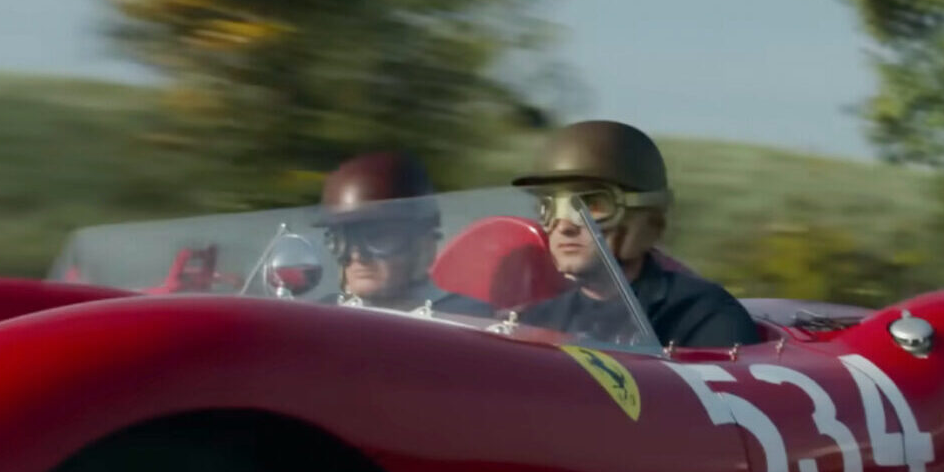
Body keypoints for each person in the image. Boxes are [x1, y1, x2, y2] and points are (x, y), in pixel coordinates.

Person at [510, 119, 766, 349]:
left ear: (649, 222)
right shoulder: (537, 322)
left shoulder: (700, 317)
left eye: (592, 205)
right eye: (548, 208)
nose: (563, 227)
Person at [313, 151, 488, 315]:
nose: (357, 256)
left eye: (377, 238)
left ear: (423, 245)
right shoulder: (322, 316)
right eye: (341, 240)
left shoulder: (468, 319)